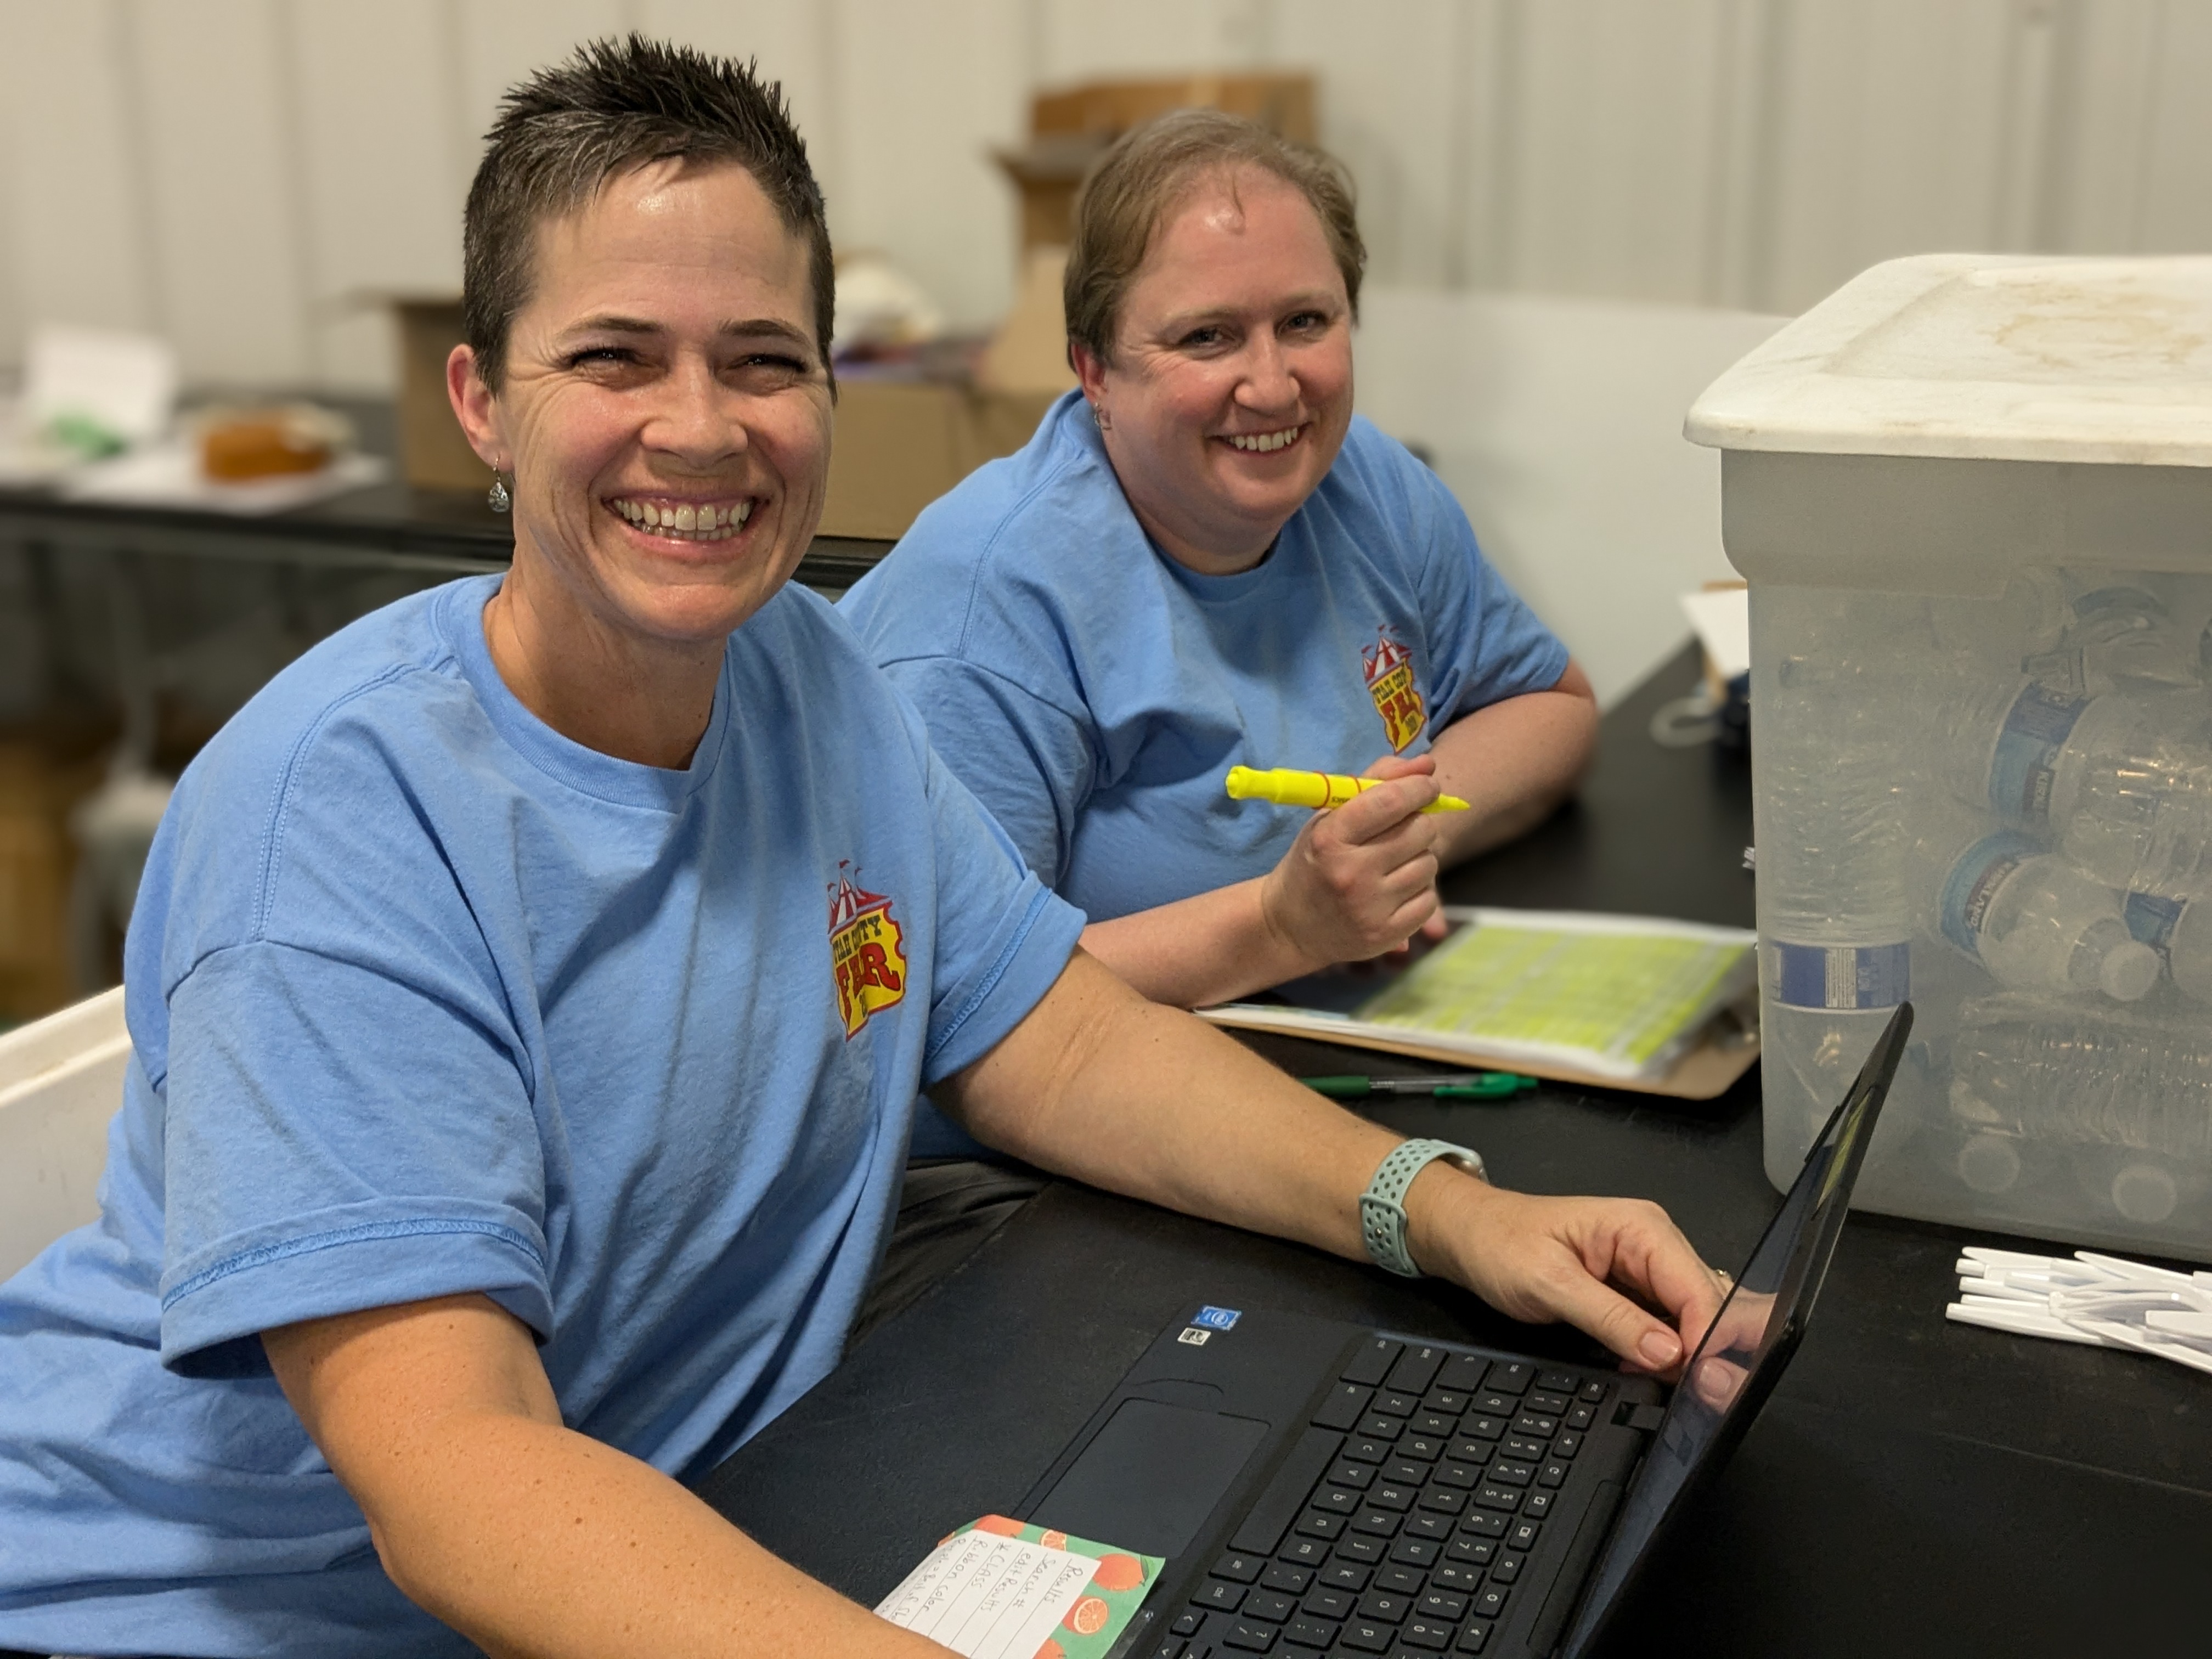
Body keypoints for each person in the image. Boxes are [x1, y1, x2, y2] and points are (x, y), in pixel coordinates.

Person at [0, 40, 1720, 1659]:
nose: (701, 427)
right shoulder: (347, 822)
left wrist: (1438, 1212)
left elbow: (1051, 1034)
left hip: (708, 1499)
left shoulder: (807, 675)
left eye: (762, 360)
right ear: (479, 399)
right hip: (220, 1612)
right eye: (615, 359)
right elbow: (458, 1482)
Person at [841, 111, 1599, 1021]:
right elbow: (931, 998)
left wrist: (1399, 843)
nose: (1274, 386)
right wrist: (1280, 927)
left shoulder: (1372, 484)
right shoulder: (984, 612)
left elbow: (1551, 706)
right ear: (1094, 371)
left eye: (1306, 321)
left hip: (1302, 1028)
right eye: (1208, 337)